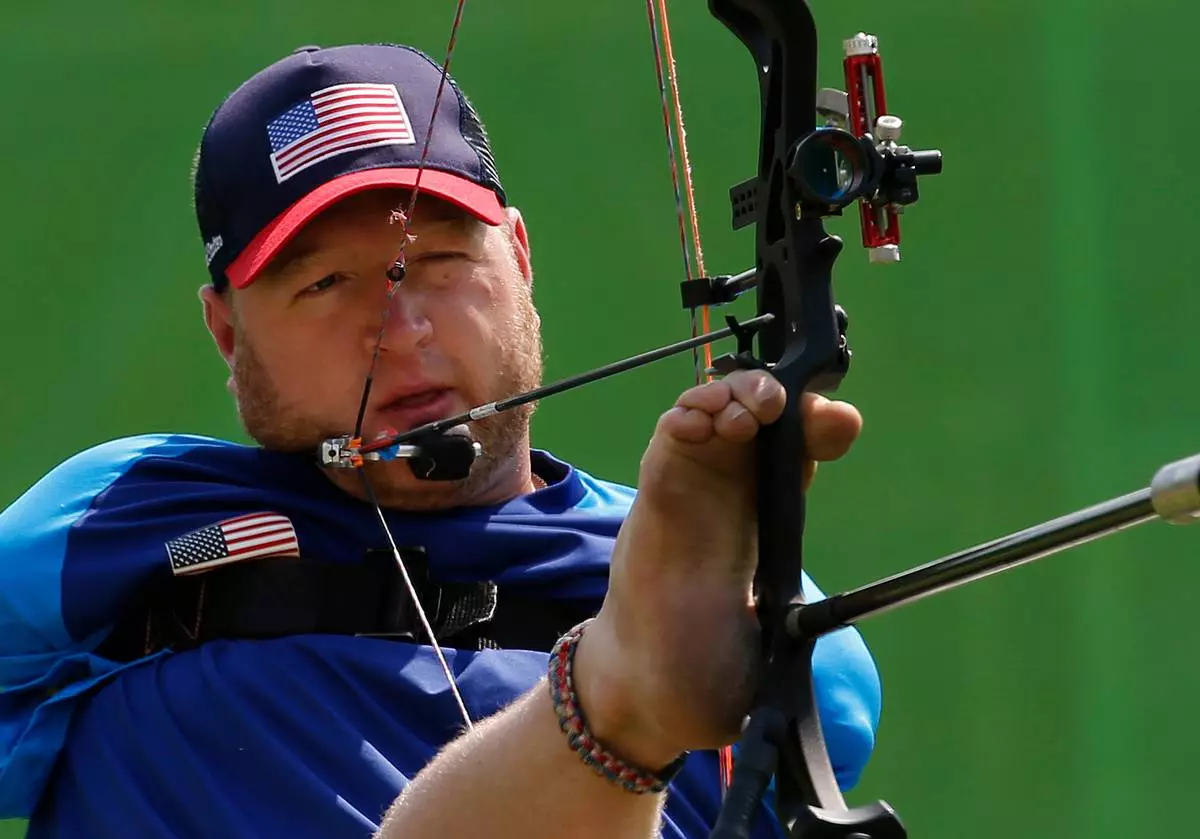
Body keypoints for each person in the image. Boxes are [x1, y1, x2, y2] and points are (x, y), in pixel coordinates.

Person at [0, 43, 882, 839]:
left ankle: (618, 705)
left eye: (442, 263)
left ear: (520, 261)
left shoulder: (732, 603)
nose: (401, 328)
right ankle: (614, 701)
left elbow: (822, 724)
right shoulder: (123, 523)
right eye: (326, 284)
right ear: (228, 335)